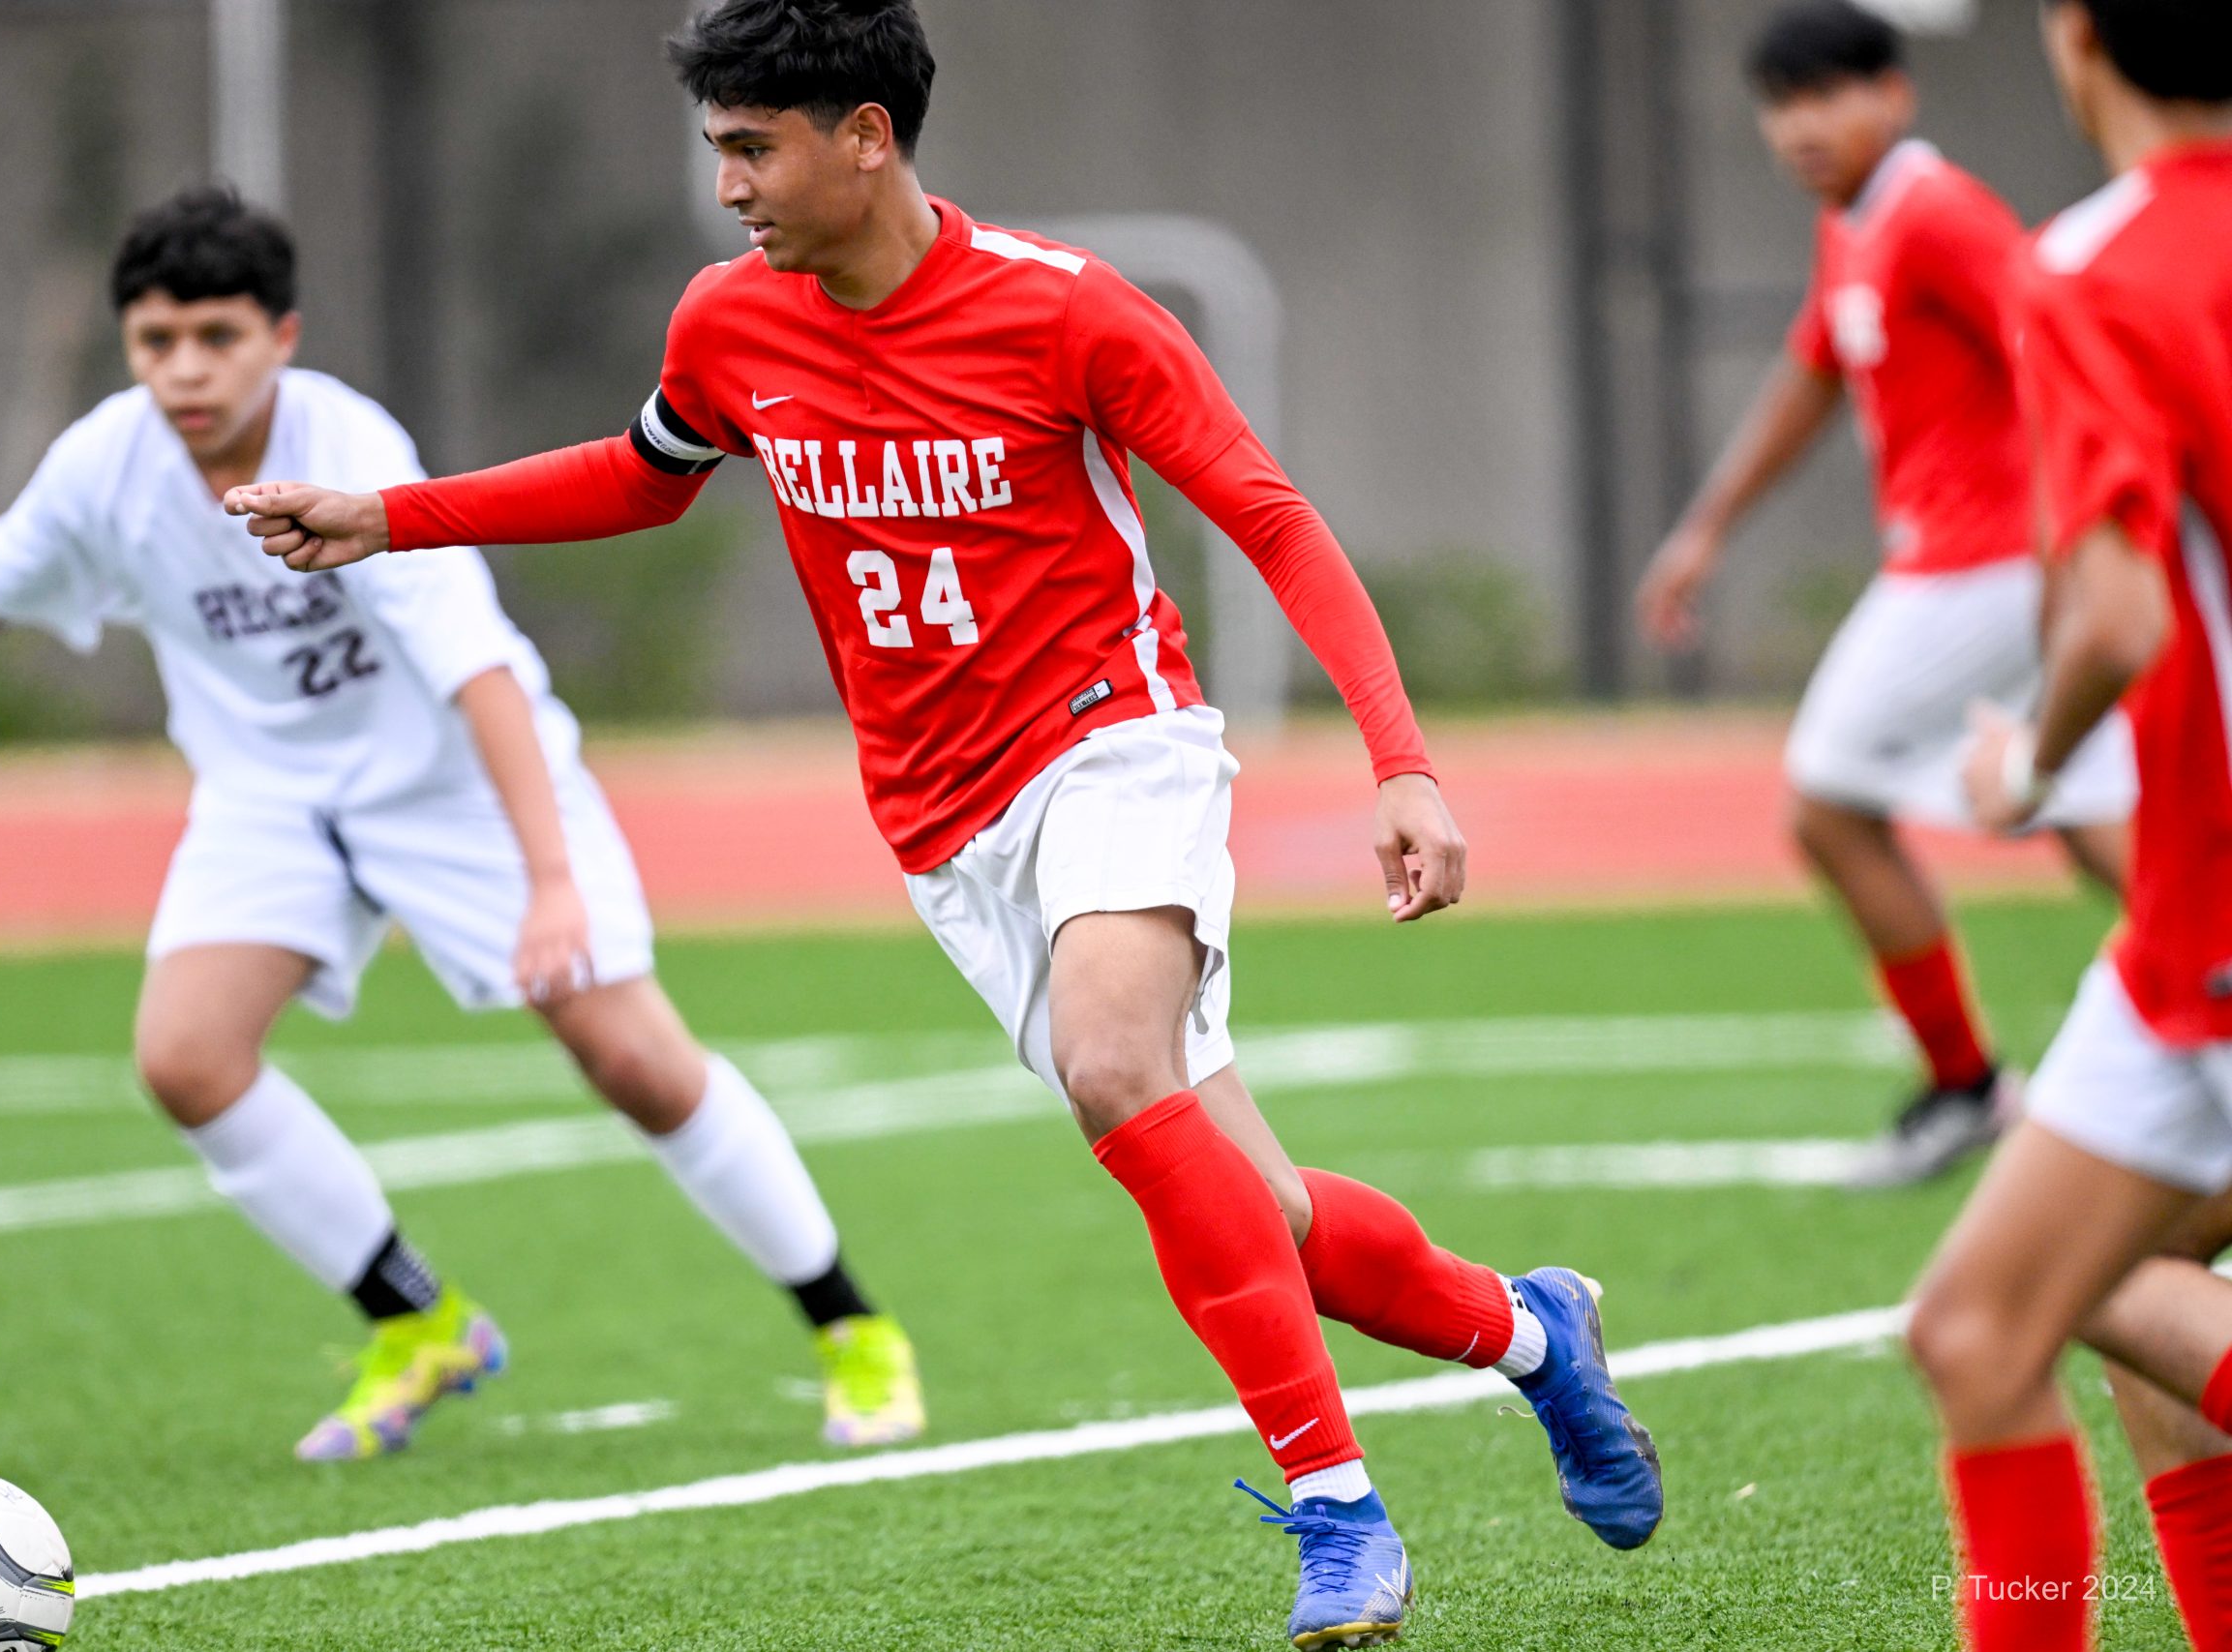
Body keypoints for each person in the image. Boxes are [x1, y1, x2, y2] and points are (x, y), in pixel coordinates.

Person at [228, 1, 1662, 1642]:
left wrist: (1401, 761)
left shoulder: (1071, 315)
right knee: (1249, 1210)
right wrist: (391, 520)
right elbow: (649, 470)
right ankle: (1535, 1333)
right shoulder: (730, 324)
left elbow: (1268, 514)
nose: (729, 190)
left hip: (1112, 747)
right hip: (943, 827)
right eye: (717, 151)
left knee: (1123, 1072)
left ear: (866, 133)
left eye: (752, 148)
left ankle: (1339, 1509)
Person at [0, 186, 921, 1463]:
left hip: (451, 787)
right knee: (186, 1056)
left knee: (635, 1059)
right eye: (155, 341)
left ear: (283, 335)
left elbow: (480, 674)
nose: (184, 369)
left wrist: (553, 882)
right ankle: (418, 1318)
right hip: (270, 797)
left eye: (216, 336)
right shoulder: (103, 466)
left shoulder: (351, 448)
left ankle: (852, 1325)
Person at [1634, 0, 2137, 1189]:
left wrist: (2078, 535)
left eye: (1829, 93)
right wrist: (1705, 528)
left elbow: (2053, 345)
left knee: (1826, 803)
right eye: (1782, 102)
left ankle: (1964, 1083)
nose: (1803, 125)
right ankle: (2188, 979)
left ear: (1894, 94)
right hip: (1981, 570)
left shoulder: (1935, 212)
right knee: (2077, 803)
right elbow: (1811, 375)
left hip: (1990, 567)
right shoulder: (1854, 223)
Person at [1902, 0, 2232, 1644]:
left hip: (2221, 917)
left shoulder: (2094, 266)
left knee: (2009, 1313)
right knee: (1990, 1320)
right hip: (2174, 937)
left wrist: (2021, 765)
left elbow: (2114, 615)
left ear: (2078, 40)